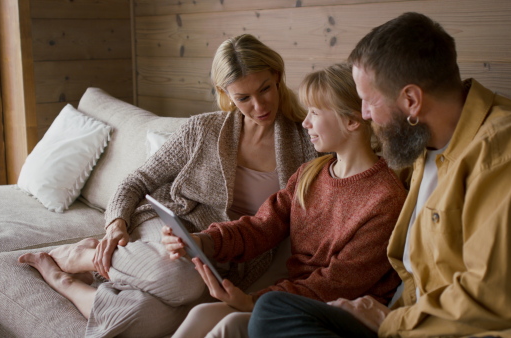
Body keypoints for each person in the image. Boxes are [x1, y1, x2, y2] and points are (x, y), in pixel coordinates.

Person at [248, 12, 511, 338]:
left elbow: (496, 297)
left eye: (366, 101)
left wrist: (388, 321)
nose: (363, 115)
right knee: (273, 310)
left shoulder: (506, 149)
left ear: (410, 100)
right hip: (406, 318)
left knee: (270, 314)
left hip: (460, 329)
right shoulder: (421, 144)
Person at [17, 34, 319, 338]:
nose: (258, 105)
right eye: (243, 97)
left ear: (277, 77)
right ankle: (83, 256)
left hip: (227, 257)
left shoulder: (308, 143)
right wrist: (116, 225)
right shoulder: (203, 129)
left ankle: (64, 282)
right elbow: (137, 181)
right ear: (226, 94)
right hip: (169, 229)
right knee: (182, 282)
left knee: (149, 319)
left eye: (265, 89)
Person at [163, 63, 407, 338]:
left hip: (339, 315)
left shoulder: (384, 200)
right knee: (201, 313)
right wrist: (204, 241)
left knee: (230, 326)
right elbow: (261, 226)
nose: (305, 122)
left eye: (314, 112)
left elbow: (337, 284)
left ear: (352, 121)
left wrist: (254, 301)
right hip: (292, 301)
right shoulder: (310, 173)